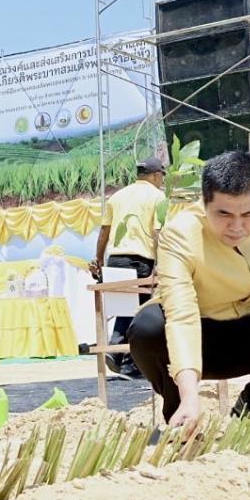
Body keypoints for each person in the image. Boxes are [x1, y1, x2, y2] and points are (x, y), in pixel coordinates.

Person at [127, 151, 250, 426]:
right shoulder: (179, 234)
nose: (237, 226)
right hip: (199, 335)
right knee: (147, 328)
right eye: (223, 214)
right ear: (204, 202)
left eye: (249, 214)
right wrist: (190, 394)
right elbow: (182, 316)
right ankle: (181, 415)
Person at [91, 157, 166, 379]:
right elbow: (157, 233)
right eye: (161, 175)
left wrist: (98, 259)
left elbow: (104, 231)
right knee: (143, 311)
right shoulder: (158, 197)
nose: (161, 180)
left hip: (116, 258)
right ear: (155, 175)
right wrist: (160, 264)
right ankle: (130, 363)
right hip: (141, 259)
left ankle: (119, 353)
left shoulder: (117, 196)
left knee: (125, 306)